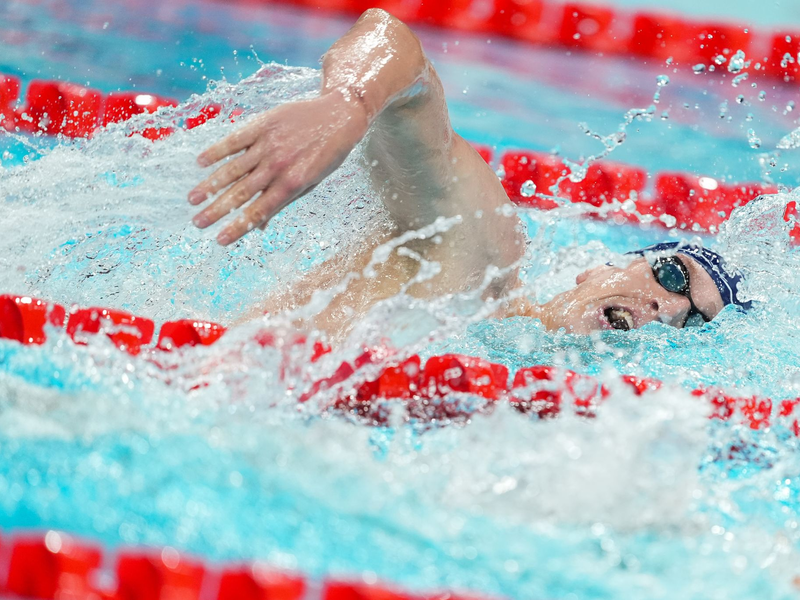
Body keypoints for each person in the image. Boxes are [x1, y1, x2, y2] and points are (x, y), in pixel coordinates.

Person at [187, 9, 748, 339]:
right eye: (673, 277)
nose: (668, 307)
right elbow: (393, 41)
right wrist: (348, 104)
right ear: (604, 267)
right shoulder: (480, 264)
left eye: (692, 322)